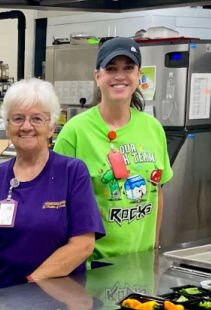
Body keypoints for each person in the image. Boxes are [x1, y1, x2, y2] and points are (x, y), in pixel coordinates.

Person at [0, 78, 104, 293]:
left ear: (51, 128)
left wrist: (30, 285)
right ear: (7, 126)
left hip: (58, 306)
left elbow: (83, 245)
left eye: (37, 119)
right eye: (18, 118)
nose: (26, 126)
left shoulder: (72, 172)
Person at [54, 37, 173, 261]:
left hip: (141, 261)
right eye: (111, 69)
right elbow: (56, 206)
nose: (120, 76)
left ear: (139, 75)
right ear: (98, 77)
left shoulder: (153, 128)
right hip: (91, 265)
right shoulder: (75, 132)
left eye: (128, 68)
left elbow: (158, 192)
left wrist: (155, 247)